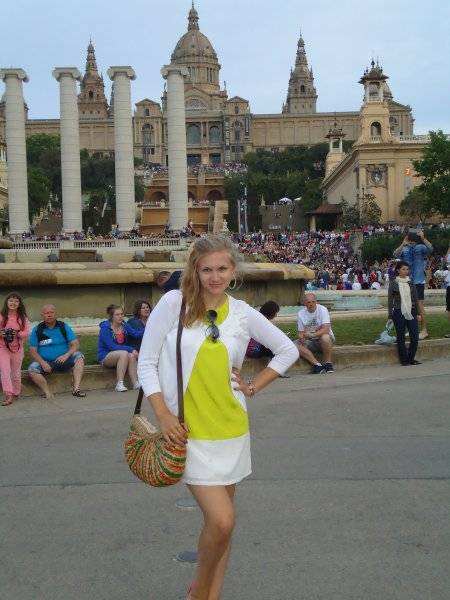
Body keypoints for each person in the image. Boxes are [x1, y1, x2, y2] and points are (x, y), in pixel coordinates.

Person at [137, 234, 298, 600]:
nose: (214, 277)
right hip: (188, 433)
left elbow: (286, 349)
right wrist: (162, 414)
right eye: (206, 269)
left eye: (222, 269)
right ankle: (199, 592)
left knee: (221, 526)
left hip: (231, 430)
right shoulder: (174, 303)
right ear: (194, 270)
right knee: (222, 521)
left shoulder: (241, 312)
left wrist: (254, 385)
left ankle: (212, 595)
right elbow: (146, 362)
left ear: (233, 270)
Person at [28, 304, 86, 399]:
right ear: (42, 315)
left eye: (52, 312)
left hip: (64, 360)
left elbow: (75, 344)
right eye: (47, 313)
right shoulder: (37, 330)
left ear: (56, 314)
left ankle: (76, 389)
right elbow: (32, 351)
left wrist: (66, 355)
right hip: (46, 363)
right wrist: (42, 363)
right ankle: (48, 392)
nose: (49, 315)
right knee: (32, 369)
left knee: (79, 356)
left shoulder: (63, 326)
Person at [394, 230, 433, 339]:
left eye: (412, 241)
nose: (411, 243)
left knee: (419, 305)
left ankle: (424, 330)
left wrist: (423, 238)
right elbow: (395, 254)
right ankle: (412, 329)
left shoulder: (420, 247)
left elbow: (431, 249)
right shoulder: (405, 248)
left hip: (418, 281)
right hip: (407, 281)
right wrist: (403, 244)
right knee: (408, 305)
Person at [97, 304, 143, 392]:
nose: (120, 316)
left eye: (122, 314)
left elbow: (136, 334)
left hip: (121, 355)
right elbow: (112, 346)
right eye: (117, 314)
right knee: (125, 353)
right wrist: (131, 349)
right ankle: (119, 384)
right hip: (105, 356)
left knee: (131, 356)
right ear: (112, 316)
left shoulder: (123, 324)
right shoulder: (105, 328)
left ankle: (135, 383)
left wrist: (148, 327)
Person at [0, 292, 31, 406]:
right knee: (5, 371)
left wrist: (18, 333)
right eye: (11, 300)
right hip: (2, 348)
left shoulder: (23, 318)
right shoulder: (1, 316)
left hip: (17, 349)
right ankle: (8, 395)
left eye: (16, 301)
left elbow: (27, 332)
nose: (13, 303)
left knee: (16, 373)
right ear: (7, 302)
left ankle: (16, 392)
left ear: (19, 304)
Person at [388, 260, 421, 365]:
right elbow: (390, 300)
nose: (406, 271)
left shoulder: (410, 282)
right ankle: (404, 360)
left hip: (412, 311)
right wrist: (390, 315)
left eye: (407, 269)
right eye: (403, 269)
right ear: (398, 270)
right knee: (401, 336)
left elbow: (416, 299)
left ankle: (411, 358)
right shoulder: (393, 283)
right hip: (398, 312)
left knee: (414, 336)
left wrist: (418, 313)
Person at [296, 292, 335, 374]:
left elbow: (326, 329)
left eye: (313, 302)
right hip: (310, 340)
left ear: (316, 302)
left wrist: (311, 335)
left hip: (323, 339)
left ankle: (328, 363)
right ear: (305, 303)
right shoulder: (300, 313)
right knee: (294, 345)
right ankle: (317, 365)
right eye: (308, 302)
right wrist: (301, 338)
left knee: (325, 337)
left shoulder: (322, 309)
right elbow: (300, 332)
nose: (311, 304)